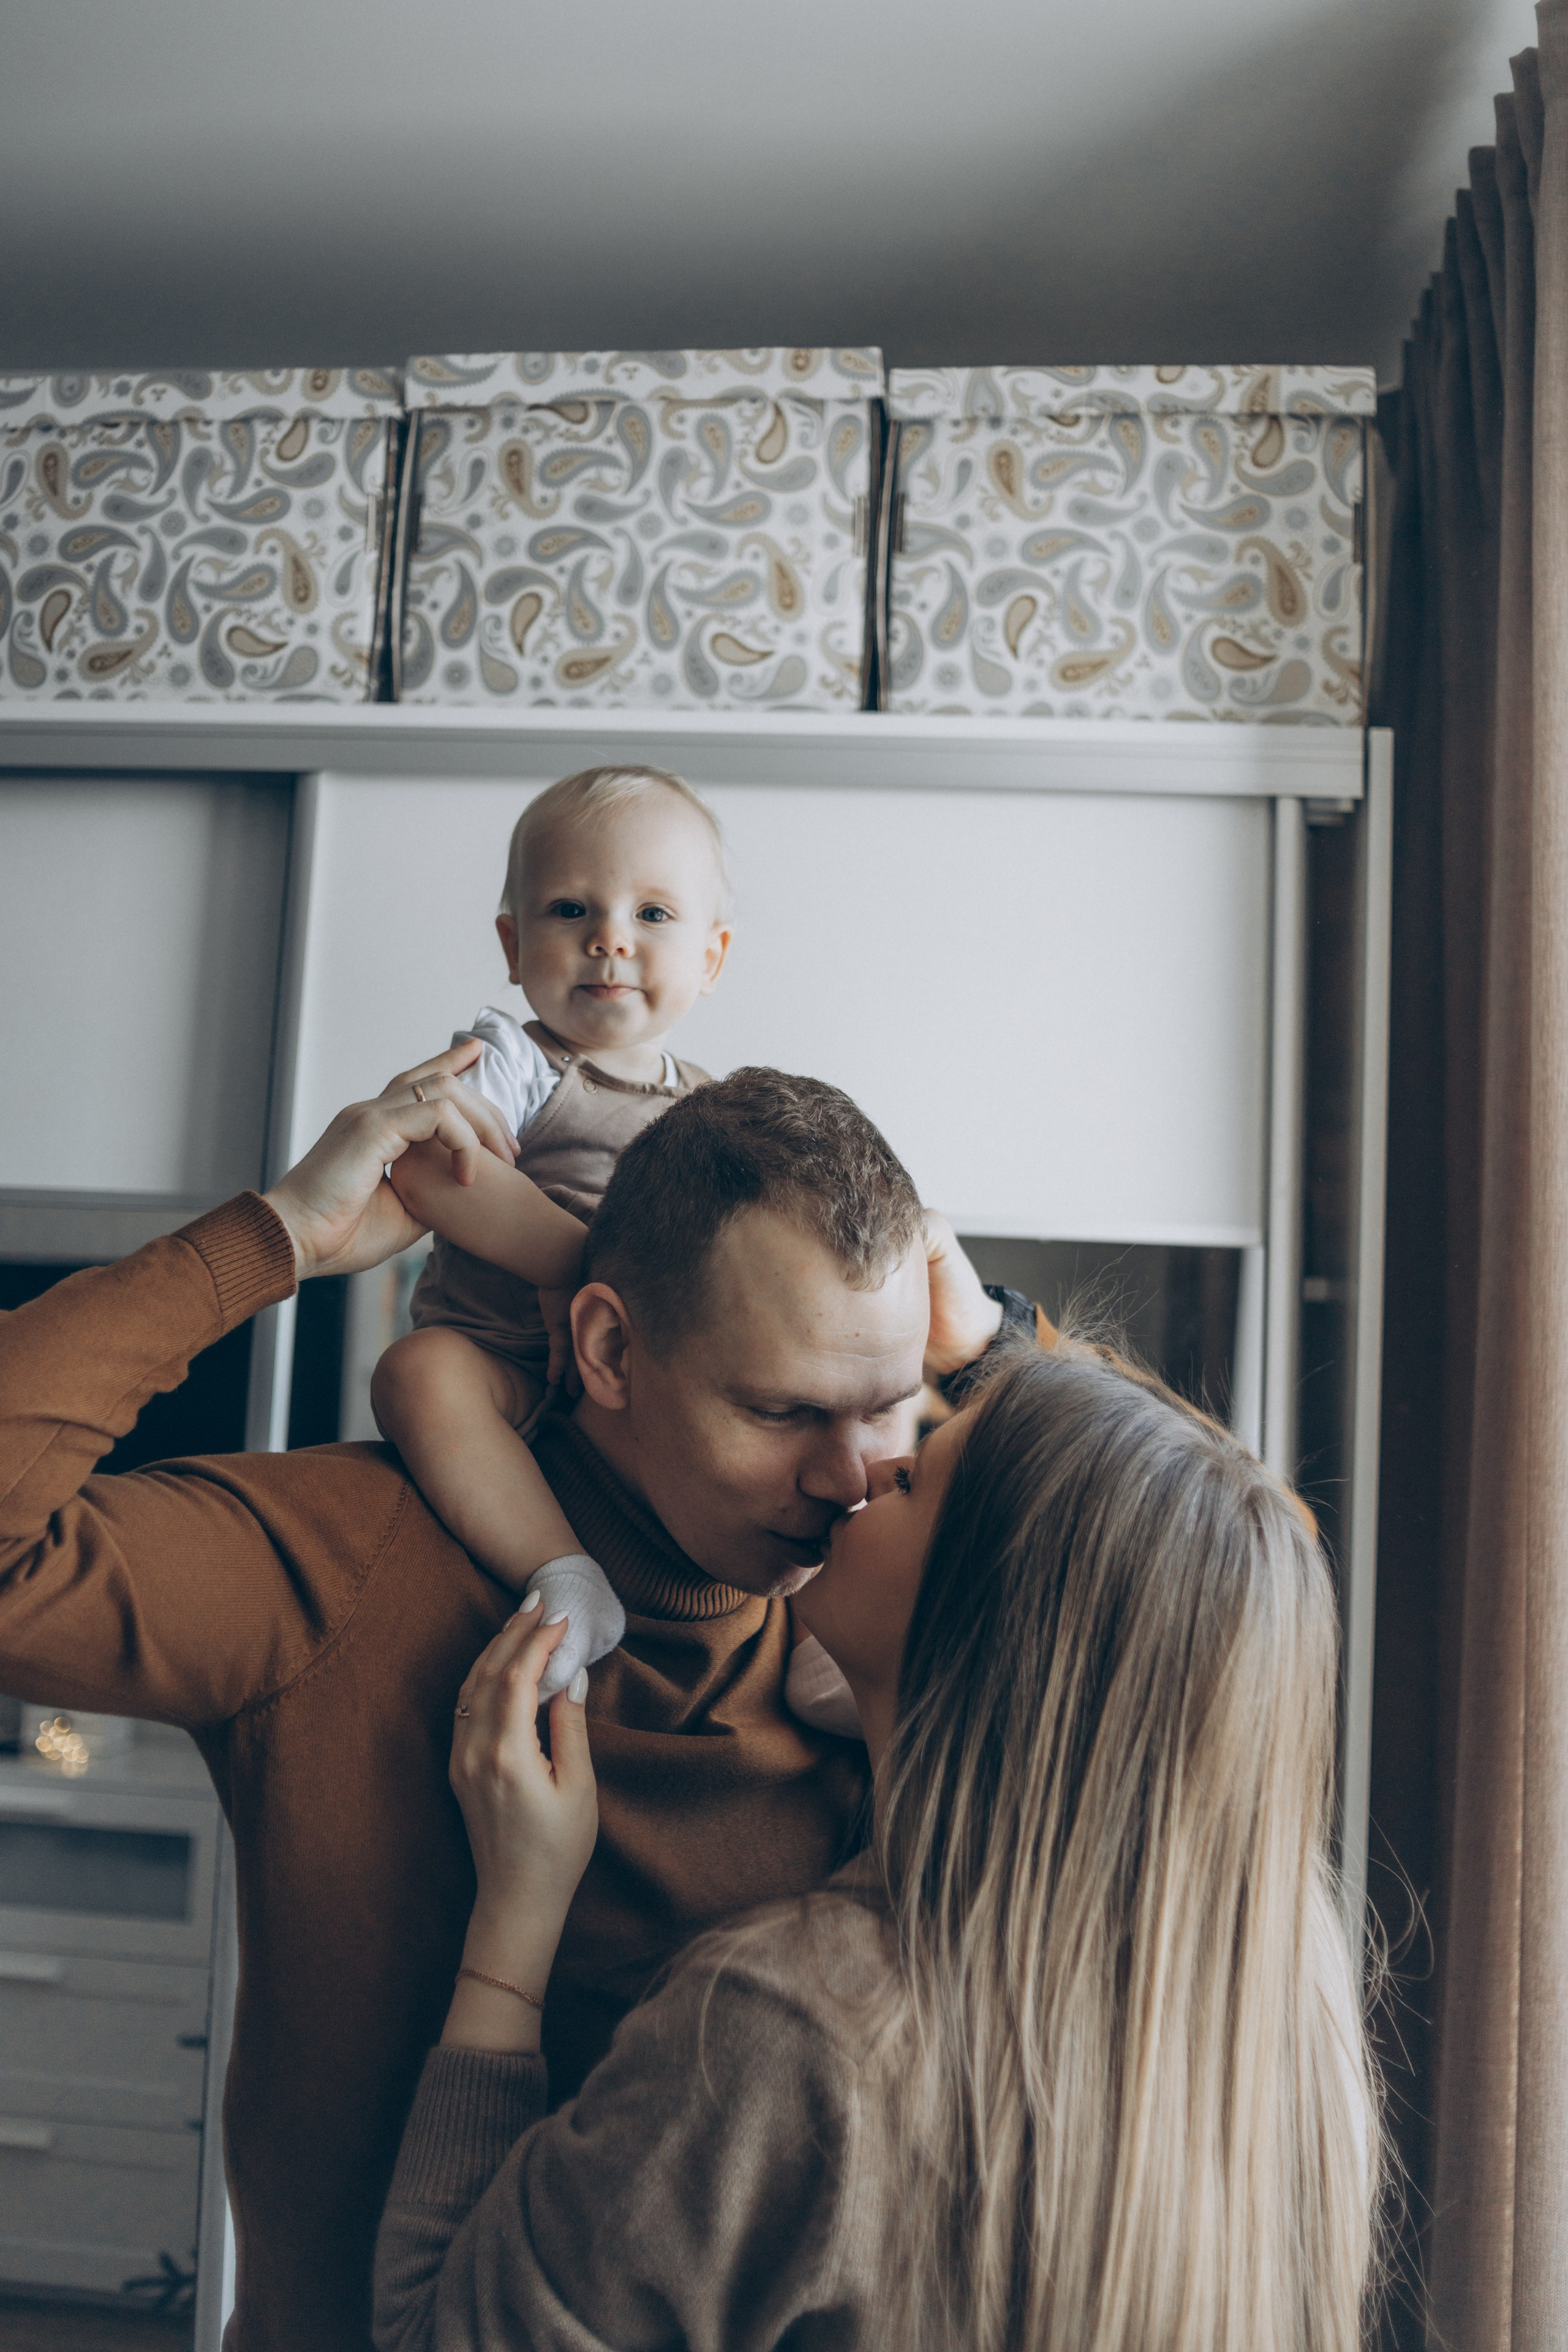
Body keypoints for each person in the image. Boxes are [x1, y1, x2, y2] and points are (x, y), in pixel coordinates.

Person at [0, 1054, 1024, 2352]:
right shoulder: (354, 1565)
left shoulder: (894, 1642)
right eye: (780, 1412)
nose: (847, 1480)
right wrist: (271, 1241)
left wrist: (1001, 1345)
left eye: (888, 1408)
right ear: (605, 1348)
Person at [375, 1340, 1381, 2352]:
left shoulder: (799, 2029)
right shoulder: (1295, 2044)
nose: (866, 1471)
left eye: (916, 1475)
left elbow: (436, 2335)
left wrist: (517, 1909)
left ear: (993, 1619)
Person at [373, 762, 731, 1701]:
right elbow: (426, 1172)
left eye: (653, 915)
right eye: (571, 910)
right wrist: (577, 1268)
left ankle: (817, 1629)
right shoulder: (512, 1062)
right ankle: (566, 1574)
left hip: (636, 1392)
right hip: (503, 1365)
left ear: (713, 956)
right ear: (513, 941)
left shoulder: (716, 1110)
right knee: (416, 1373)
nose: (610, 940)